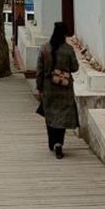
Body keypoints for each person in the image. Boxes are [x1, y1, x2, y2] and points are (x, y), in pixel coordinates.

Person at [35, 21, 79, 159]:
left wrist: (39, 87)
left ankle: (52, 142)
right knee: (62, 117)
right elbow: (75, 68)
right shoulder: (68, 50)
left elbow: (39, 71)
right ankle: (59, 143)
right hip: (65, 88)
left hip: (49, 88)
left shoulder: (45, 49)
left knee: (51, 116)